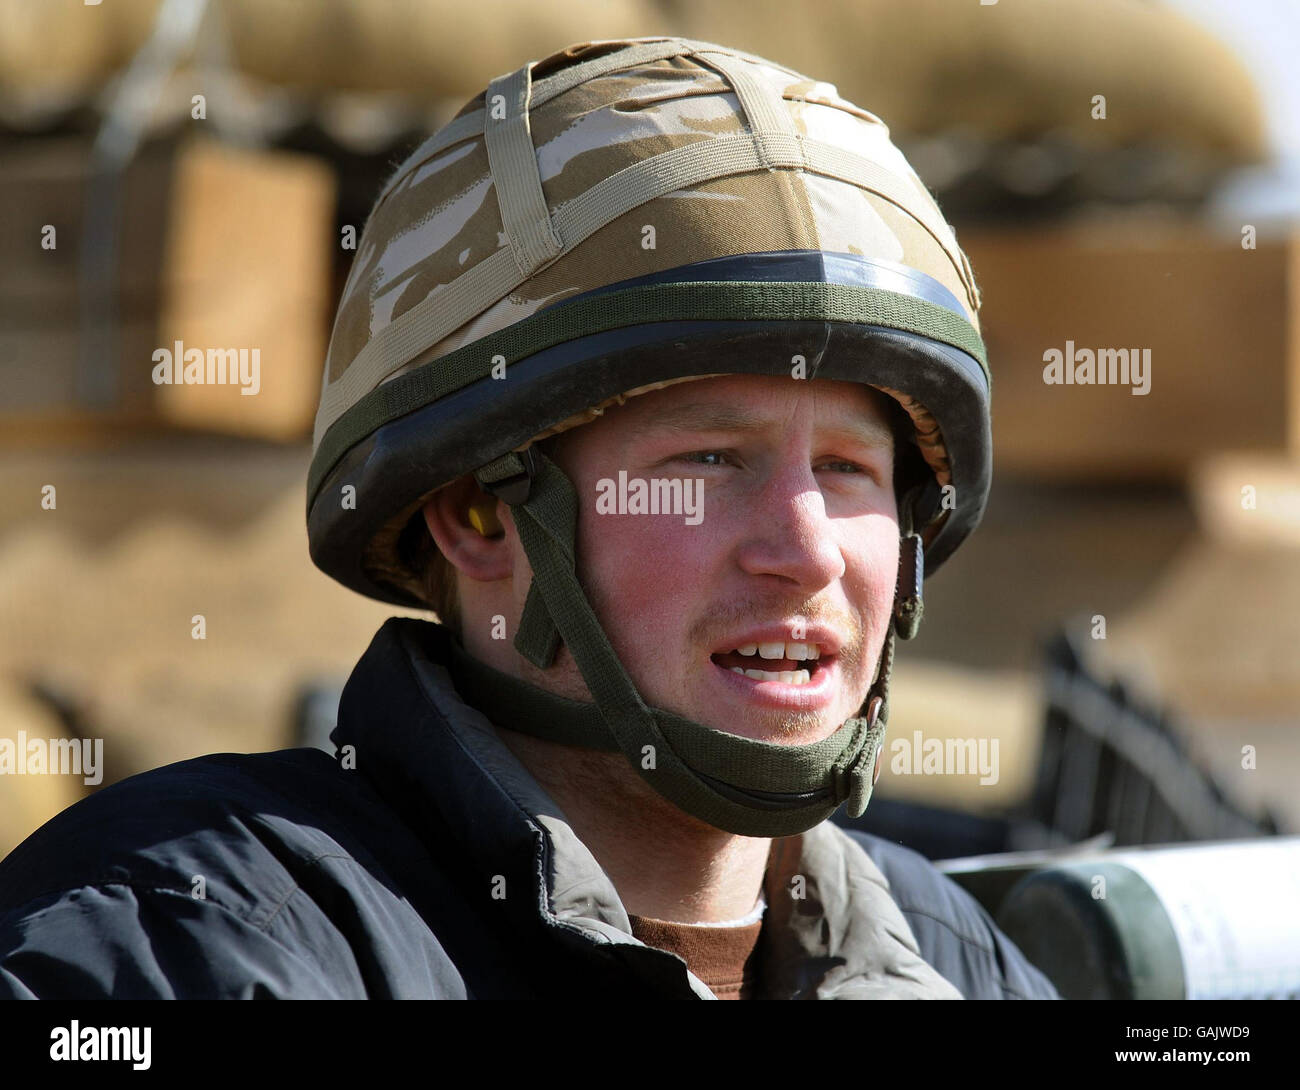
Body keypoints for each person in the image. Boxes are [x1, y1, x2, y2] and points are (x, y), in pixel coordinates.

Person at [0, 36, 1057, 999]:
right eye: (710, 460)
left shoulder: (958, 959)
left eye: (848, 468)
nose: (808, 548)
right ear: (476, 513)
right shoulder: (190, 938)